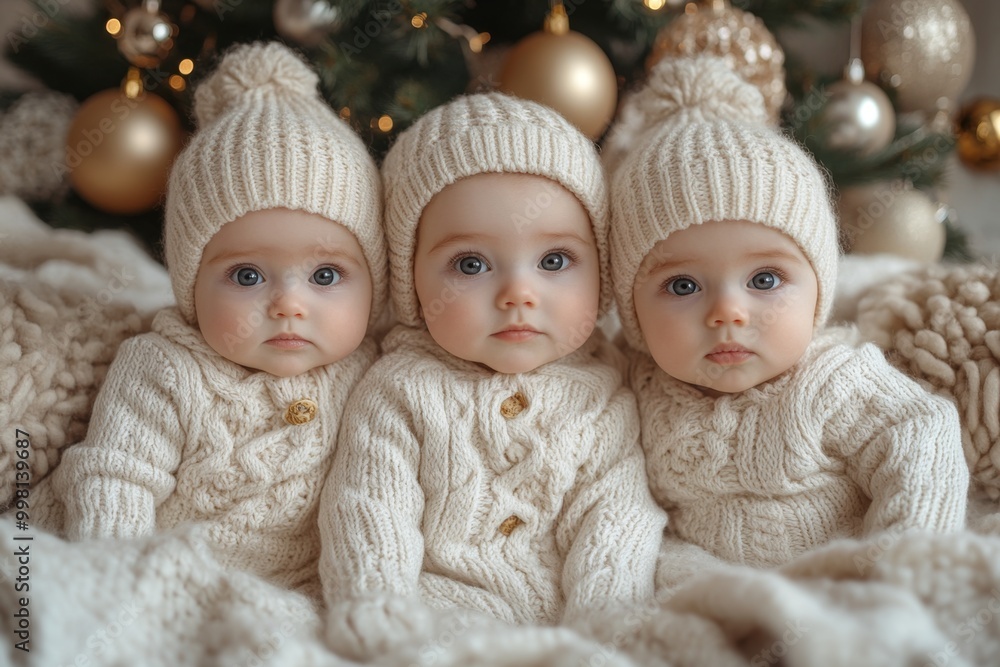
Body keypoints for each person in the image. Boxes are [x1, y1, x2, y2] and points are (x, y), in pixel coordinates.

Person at [31, 41, 387, 599]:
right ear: (189, 284)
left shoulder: (375, 376)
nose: (289, 305)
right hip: (150, 574)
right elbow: (114, 479)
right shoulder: (165, 366)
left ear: (375, 282)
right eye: (247, 276)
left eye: (325, 276)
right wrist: (120, 587)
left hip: (288, 594)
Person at [318, 92, 667, 661]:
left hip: (571, 621)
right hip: (435, 616)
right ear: (411, 282)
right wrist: (374, 606)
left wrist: (606, 621)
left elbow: (617, 517)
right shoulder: (400, 391)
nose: (517, 295)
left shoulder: (605, 392)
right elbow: (368, 507)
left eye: (554, 261)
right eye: (471, 265)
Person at [605, 56, 968, 582]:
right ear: (631, 310)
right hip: (711, 592)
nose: (728, 312)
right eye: (683, 285)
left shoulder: (830, 379)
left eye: (765, 280)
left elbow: (921, 435)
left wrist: (903, 563)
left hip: (845, 581)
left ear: (820, 287)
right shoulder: (633, 388)